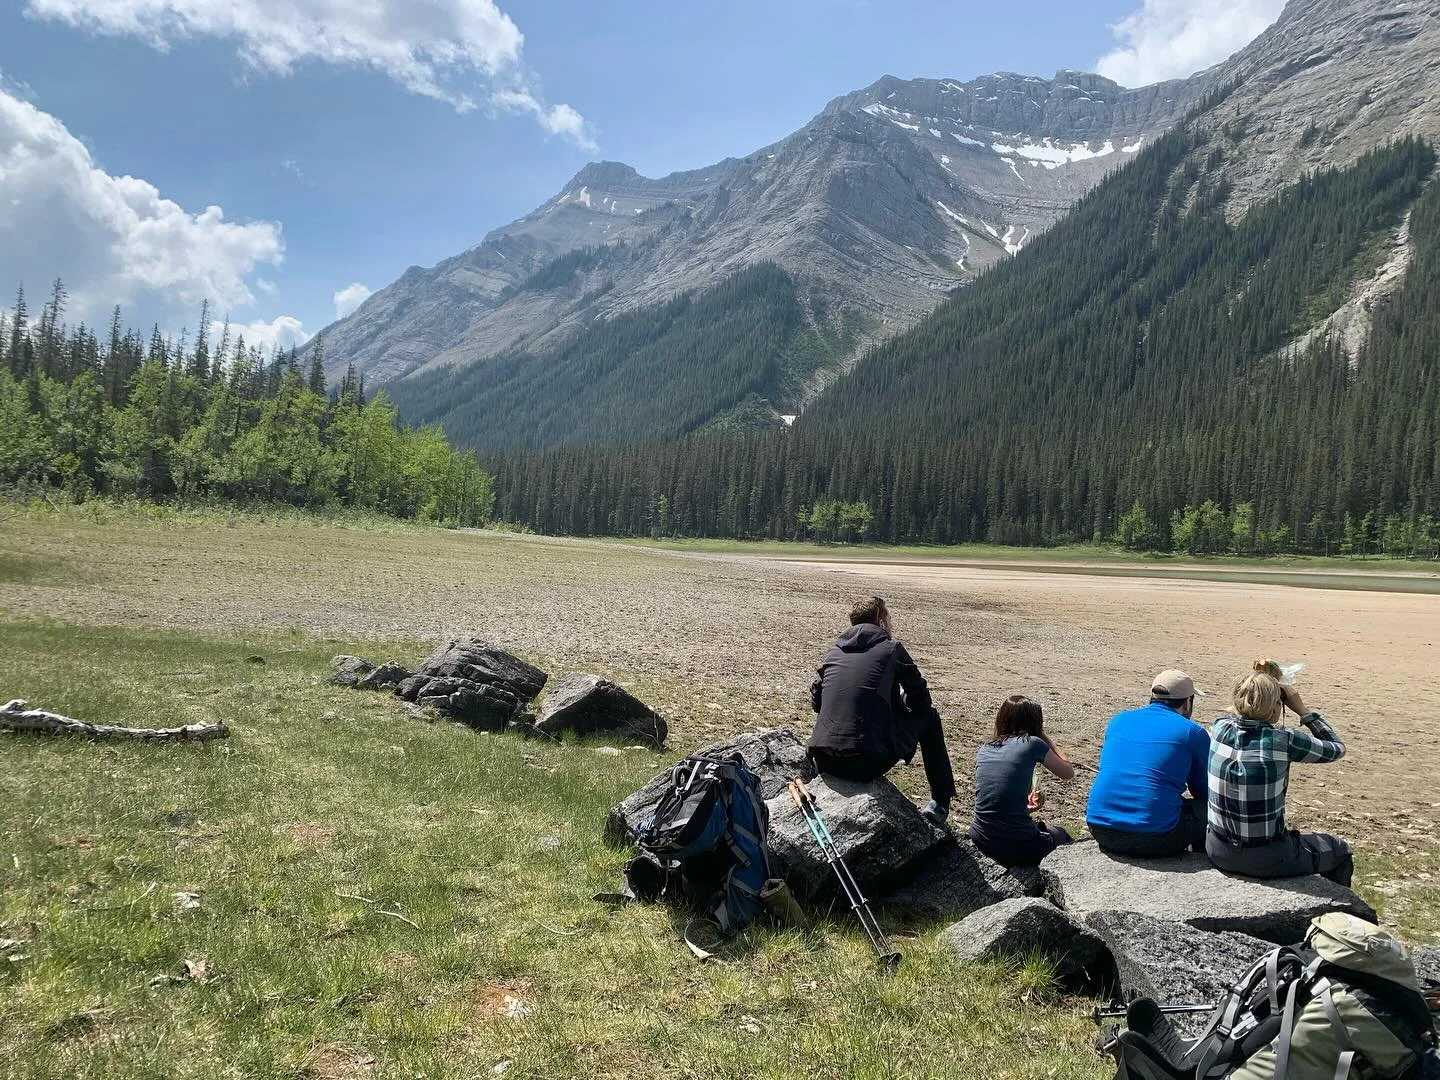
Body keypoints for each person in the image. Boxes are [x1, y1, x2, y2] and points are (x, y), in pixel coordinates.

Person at [808, 596, 958, 825]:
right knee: (930, 718)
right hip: (865, 763)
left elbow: (817, 703)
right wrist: (901, 703)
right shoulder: (892, 649)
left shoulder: (833, 653)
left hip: (823, 760)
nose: (891, 625)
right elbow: (922, 701)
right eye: (889, 619)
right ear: (880, 621)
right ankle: (940, 800)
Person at [1206, 670, 1352, 886]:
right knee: (1339, 850)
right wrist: (1302, 710)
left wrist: (1256, 685)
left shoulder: (1220, 728)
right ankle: (1338, 911)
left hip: (1217, 848)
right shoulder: (1284, 741)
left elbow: (1238, 714)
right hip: (1267, 856)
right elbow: (1337, 749)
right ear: (1276, 707)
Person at [1085, 669, 1211, 857]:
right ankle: (1204, 860)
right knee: (1207, 809)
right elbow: (1204, 791)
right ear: (1187, 702)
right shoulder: (1192, 732)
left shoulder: (1118, 720)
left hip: (1099, 828)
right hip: (1155, 836)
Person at [968, 695, 1077, 867]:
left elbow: (996, 801)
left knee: (1039, 827)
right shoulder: (1033, 743)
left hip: (979, 837)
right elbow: (1068, 772)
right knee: (1061, 834)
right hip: (1017, 844)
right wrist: (1044, 737)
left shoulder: (985, 748)